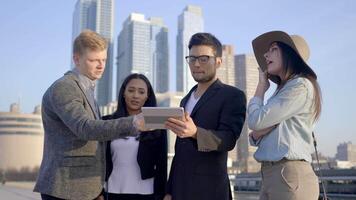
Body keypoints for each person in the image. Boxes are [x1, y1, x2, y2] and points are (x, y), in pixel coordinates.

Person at [34, 30, 145, 200]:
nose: (101, 66)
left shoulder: (87, 88)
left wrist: (97, 189)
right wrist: (134, 123)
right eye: (94, 60)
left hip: (84, 187)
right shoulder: (65, 87)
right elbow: (85, 128)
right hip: (65, 188)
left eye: (104, 60)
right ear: (76, 59)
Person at [164, 33, 246, 200]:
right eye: (192, 58)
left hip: (210, 191)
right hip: (180, 190)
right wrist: (169, 190)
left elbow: (228, 139)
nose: (196, 64)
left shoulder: (232, 95)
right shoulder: (186, 99)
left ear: (218, 62)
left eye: (203, 59)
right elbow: (179, 151)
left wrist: (195, 133)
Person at [248, 31, 322, 200]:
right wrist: (261, 128)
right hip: (272, 174)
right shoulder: (283, 92)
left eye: (273, 49)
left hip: (289, 174)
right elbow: (255, 134)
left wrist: (261, 87)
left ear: (290, 54)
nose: (266, 54)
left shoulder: (300, 86)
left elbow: (256, 121)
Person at [103, 74, 167, 200]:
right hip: (112, 191)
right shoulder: (107, 122)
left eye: (141, 92)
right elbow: (99, 161)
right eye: (131, 90)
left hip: (146, 193)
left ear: (147, 96)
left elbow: (162, 165)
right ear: (123, 93)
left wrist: (162, 194)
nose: (136, 96)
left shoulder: (157, 125)